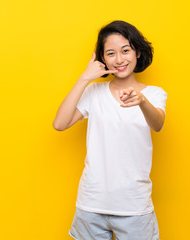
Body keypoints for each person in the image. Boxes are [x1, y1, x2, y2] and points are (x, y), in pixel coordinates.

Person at [52, 20, 168, 240]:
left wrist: (141, 101)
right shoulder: (94, 92)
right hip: (91, 204)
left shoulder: (154, 94)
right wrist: (85, 78)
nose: (119, 59)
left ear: (138, 53)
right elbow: (59, 124)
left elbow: (158, 124)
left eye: (125, 51)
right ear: (102, 59)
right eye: (111, 53)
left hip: (134, 206)